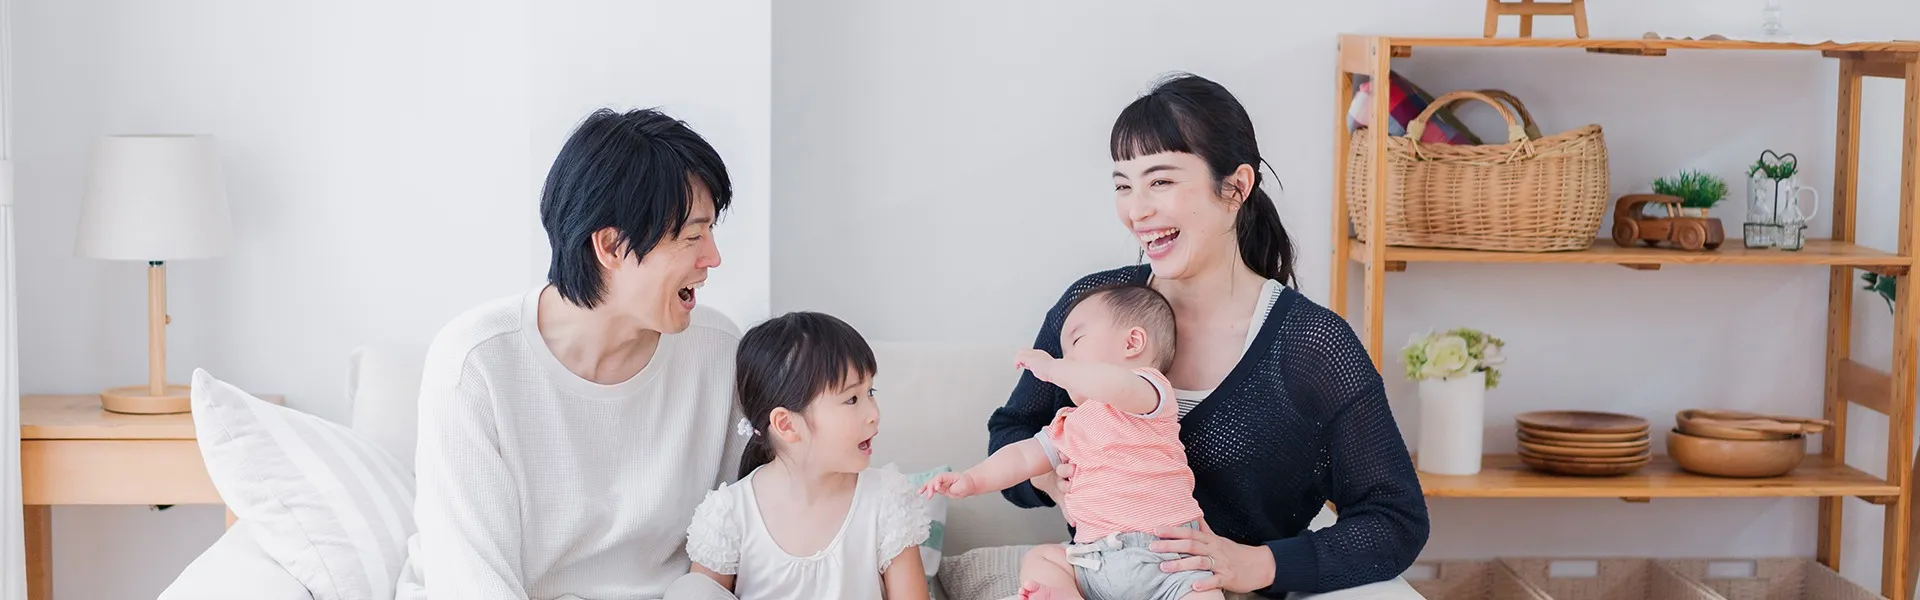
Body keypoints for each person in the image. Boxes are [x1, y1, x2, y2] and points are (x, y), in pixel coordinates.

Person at [985, 73, 1430, 598]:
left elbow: (1395, 519)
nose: (1136, 210)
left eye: (1160, 182)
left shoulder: (1310, 345)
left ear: (1236, 187)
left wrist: (1259, 564)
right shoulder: (1093, 308)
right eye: (1124, 185)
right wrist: (1047, 478)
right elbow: (1011, 431)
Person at [395, 107, 750, 600]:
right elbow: (472, 580)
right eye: (692, 236)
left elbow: (750, 530)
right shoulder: (476, 364)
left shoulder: (719, 351)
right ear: (611, 246)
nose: (712, 257)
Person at [924, 283, 1220, 600]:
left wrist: (1055, 368)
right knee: (1041, 559)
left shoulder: (1150, 395)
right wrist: (972, 479)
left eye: (1076, 342)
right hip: (1094, 562)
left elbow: (1113, 385)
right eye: (1063, 355)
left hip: (1169, 563)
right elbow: (1023, 457)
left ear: (1132, 343)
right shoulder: (1069, 423)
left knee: (1204, 591)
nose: (1066, 360)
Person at [682, 311, 932, 600]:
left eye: (871, 392)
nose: (874, 414)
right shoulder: (729, 515)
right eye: (852, 399)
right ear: (786, 424)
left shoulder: (886, 501)